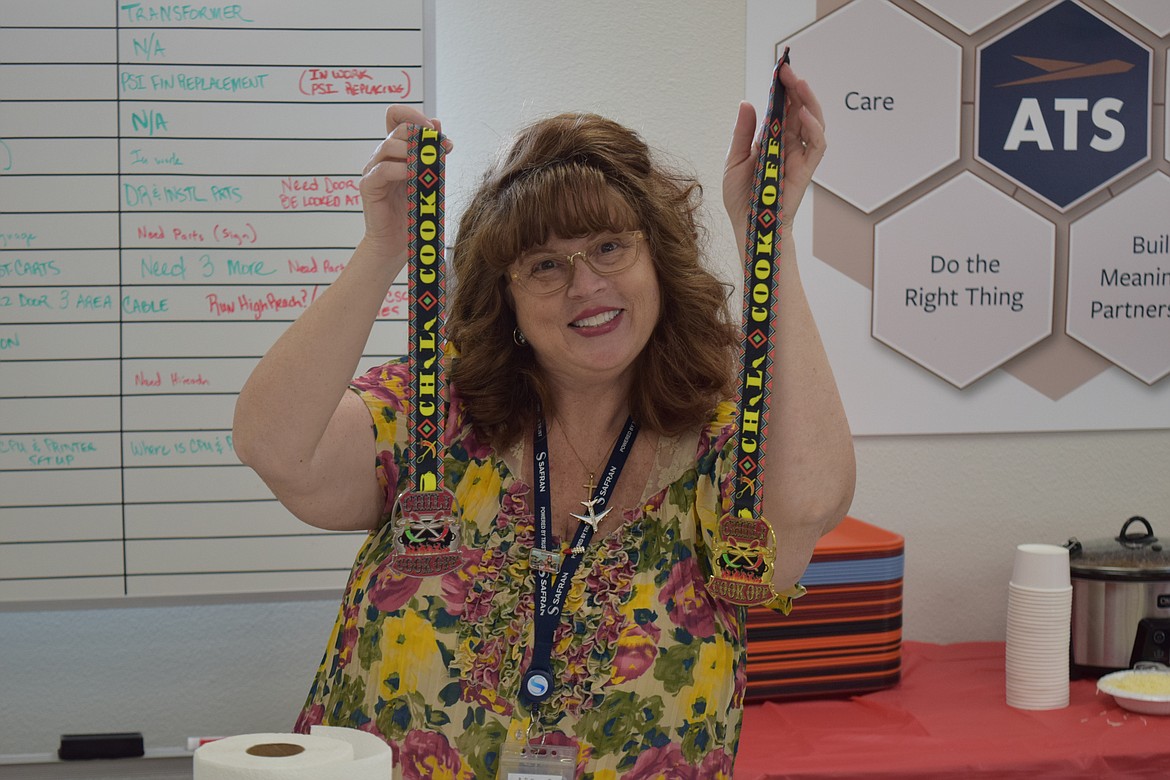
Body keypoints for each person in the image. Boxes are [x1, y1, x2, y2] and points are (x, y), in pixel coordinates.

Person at [232, 61, 854, 779]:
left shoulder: (721, 437)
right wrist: (383, 248)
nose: (586, 285)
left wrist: (766, 234)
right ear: (510, 301)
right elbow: (273, 446)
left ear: (659, 263)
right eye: (546, 266)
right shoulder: (436, 413)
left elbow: (805, 509)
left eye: (610, 247)